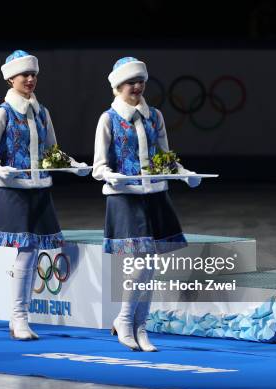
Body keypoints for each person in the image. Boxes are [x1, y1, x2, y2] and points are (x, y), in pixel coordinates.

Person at [92, 57, 201, 351]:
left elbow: (166, 159)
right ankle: (125, 319)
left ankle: (141, 327)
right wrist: (114, 177)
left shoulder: (155, 116)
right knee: (139, 264)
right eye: (131, 82)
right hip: (125, 198)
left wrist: (185, 174)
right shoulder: (109, 119)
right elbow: (98, 167)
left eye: (141, 81)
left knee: (150, 266)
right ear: (118, 86)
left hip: (155, 195)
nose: (137, 87)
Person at [0, 50, 90, 340]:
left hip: (38, 189)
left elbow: (52, 152)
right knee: (26, 251)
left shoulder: (42, 112)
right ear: (10, 79)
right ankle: (19, 317)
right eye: (24, 75)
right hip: (12, 191)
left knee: (31, 253)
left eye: (33, 75)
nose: (30, 80)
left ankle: (19, 316)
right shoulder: (3, 112)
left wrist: (73, 165)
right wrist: (1, 170)